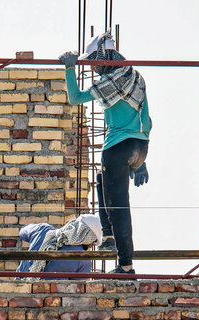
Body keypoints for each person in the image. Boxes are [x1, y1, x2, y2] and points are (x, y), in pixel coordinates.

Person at [59, 31, 151, 274]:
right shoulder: (135, 76)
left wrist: (70, 69)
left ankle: (125, 266)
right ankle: (109, 236)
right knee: (102, 181)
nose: (94, 69)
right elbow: (146, 118)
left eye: (93, 63)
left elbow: (75, 98)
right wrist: (141, 160)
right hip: (139, 145)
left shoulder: (108, 82)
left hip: (117, 148)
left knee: (118, 206)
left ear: (102, 57)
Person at [17, 214, 102, 273]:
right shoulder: (83, 260)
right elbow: (79, 291)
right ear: (86, 236)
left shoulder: (43, 230)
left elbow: (22, 232)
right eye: (93, 241)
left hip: (17, 287)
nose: (91, 245)